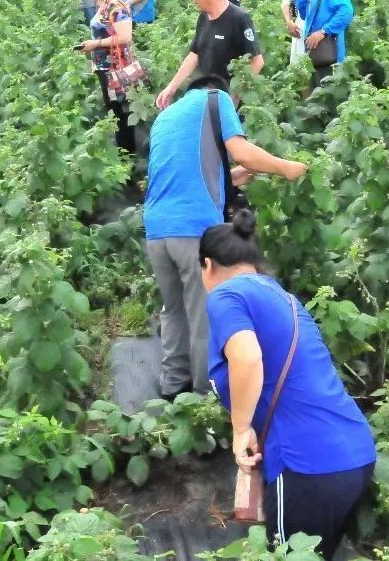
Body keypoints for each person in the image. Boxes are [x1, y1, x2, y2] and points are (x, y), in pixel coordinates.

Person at [201, 210, 375, 557]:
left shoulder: (227, 296)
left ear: (207, 266)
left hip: (307, 465)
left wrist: (239, 431)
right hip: (352, 453)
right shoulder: (282, 297)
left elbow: (248, 359)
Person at [145, 75, 307, 397]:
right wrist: (287, 167)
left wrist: (230, 178)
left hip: (157, 228)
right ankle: (206, 396)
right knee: (203, 311)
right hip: (192, 227)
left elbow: (182, 175)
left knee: (173, 308)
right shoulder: (216, 99)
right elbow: (241, 151)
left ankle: (173, 386)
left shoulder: (166, 117)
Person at [155, 0, 264, 110]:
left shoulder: (239, 18)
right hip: (207, 95)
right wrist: (171, 87)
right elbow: (195, 54)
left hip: (227, 100)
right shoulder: (204, 16)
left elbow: (257, 62)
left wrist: (233, 98)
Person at [79, 0, 138, 154]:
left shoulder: (117, 5)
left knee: (120, 115)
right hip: (106, 66)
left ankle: (127, 159)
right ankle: (124, 155)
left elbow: (125, 37)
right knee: (116, 112)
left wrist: (95, 44)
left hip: (115, 69)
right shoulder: (106, 2)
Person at [295, 0, 355, 86]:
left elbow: (346, 12)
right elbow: (305, 16)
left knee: (330, 98)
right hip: (317, 55)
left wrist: (323, 31)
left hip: (330, 56)